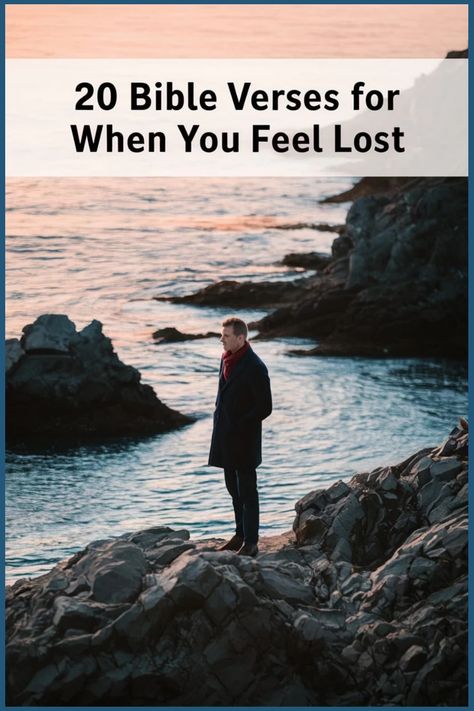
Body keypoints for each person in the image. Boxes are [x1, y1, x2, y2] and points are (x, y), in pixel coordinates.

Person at [208, 316, 272, 557]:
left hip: (244, 441)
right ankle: (239, 535)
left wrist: (240, 424)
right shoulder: (226, 360)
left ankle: (251, 542)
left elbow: (265, 407)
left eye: (225, 335)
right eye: (221, 334)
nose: (221, 339)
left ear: (240, 338)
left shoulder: (255, 366)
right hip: (224, 438)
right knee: (232, 489)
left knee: (247, 492)